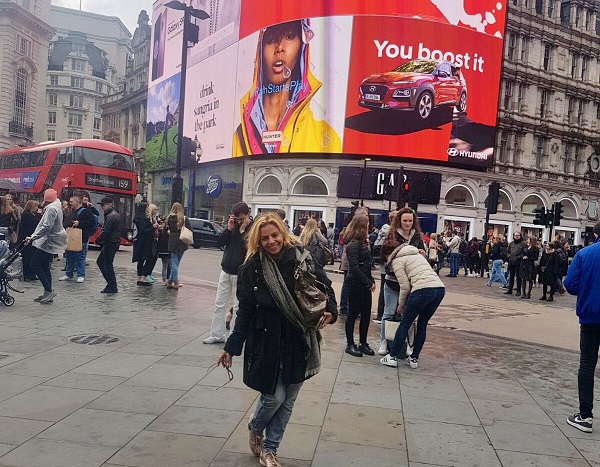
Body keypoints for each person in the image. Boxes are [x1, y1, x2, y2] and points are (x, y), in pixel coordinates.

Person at [218, 213, 337, 467]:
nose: (271, 241)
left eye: (275, 235)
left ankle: (270, 449)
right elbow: (245, 310)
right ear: (257, 242)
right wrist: (231, 346)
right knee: (274, 397)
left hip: (299, 338)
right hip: (266, 341)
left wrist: (332, 311)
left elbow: (325, 285)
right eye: (265, 239)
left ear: (282, 233)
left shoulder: (301, 257)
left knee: (289, 399)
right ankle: (255, 425)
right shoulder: (251, 269)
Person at [232, 19, 341, 156]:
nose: (279, 48)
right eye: (271, 40)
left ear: (302, 47)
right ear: (260, 51)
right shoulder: (239, 135)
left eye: (289, 36)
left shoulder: (328, 138)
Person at [380, 242, 445, 368]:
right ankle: (414, 358)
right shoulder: (417, 254)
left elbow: (404, 287)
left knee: (405, 322)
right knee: (422, 324)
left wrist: (401, 305)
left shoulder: (397, 261)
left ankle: (392, 356)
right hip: (439, 289)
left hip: (422, 290)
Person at [564, 222, 600, 433]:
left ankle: (585, 416)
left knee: (587, 364)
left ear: (595, 234)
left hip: (590, 317)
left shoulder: (585, 254)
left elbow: (570, 285)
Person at [378, 207, 425, 356]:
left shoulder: (417, 237)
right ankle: (384, 341)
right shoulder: (392, 235)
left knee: (408, 316)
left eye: (410, 221)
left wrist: (423, 254)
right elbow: (384, 256)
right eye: (405, 220)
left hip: (411, 281)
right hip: (393, 281)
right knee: (389, 313)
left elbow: (423, 257)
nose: (407, 223)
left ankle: (407, 344)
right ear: (399, 220)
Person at [203, 202, 252, 344]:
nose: (239, 222)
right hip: (226, 269)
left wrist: (243, 232)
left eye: (241, 219)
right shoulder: (232, 227)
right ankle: (216, 334)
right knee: (219, 303)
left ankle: (233, 336)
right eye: (236, 219)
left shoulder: (253, 228)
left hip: (240, 273)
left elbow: (249, 249)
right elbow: (219, 243)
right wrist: (228, 229)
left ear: (247, 215)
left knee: (237, 307)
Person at [24, 189, 67, 304]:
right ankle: (47, 291)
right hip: (50, 241)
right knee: (44, 266)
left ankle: (49, 290)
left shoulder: (51, 209)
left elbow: (46, 226)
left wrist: (33, 237)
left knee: (35, 264)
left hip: (48, 241)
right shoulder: (56, 207)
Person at [343, 215, 376, 357]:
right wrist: (368, 282)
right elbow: (354, 267)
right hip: (355, 284)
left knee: (366, 314)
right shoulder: (354, 244)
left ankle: (363, 342)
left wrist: (371, 280)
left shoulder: (362, 243)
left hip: (363, 283)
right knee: (353, 313)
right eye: (367, 224)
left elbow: (366, 265)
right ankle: (350, 344)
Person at [59, 196, 95, 283]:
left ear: (78, 202)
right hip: (70, 236)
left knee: (80, 256)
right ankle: (68, 274)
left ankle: (81, 275)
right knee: (69, 255)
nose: (70, 203)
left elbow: (91, 222)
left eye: (72, 201)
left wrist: (80, 223)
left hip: (81, 237)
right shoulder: (71, 211)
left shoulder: (86, 212)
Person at [96, 197, 122, 294]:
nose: (102, 207)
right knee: (103, 262)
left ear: (110, 205)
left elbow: (106, 231)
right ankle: (111, 284)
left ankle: (112, 285)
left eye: (103, 205)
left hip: (111, 242)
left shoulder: (111, 216)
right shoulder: (112, 215)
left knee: (106, 264)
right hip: (112, 242)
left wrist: (98, 240)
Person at [166, 202, 192, 290]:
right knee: (176, 263)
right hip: (182, 241)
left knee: (174, 262)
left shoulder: (169, 218)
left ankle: (170, 281)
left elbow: (165, 231)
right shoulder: (184, 219)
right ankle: (176, 282)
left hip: (172, 241)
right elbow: (190, 230)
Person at [132, 203, 156, 286]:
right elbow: (144, 230)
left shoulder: (139, 218)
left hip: (140, 241)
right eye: (147, 207)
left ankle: (140, 278)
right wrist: (153, 227)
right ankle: (142, 277)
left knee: (141, 260)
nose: (148, 208)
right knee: (149, 259)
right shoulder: (142, 219)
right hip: (145, 242)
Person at [17, 200, 41, 281]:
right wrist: (39, 215)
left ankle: (31, 274)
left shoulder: (29, 215)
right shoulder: (27, 215)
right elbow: (35, 223)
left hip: (29, 238)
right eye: (35, 207)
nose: (37, 208)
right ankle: (28, 275)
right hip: (26, 238)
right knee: (27, 258)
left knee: (30, 257)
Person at [157, 216, 171, 283]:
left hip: (162, 251)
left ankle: (164, 280)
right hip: (168, 250)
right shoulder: (169, 231)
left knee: (164, 266)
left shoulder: (161, 230)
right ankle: (169, 280)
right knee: (170, 265)